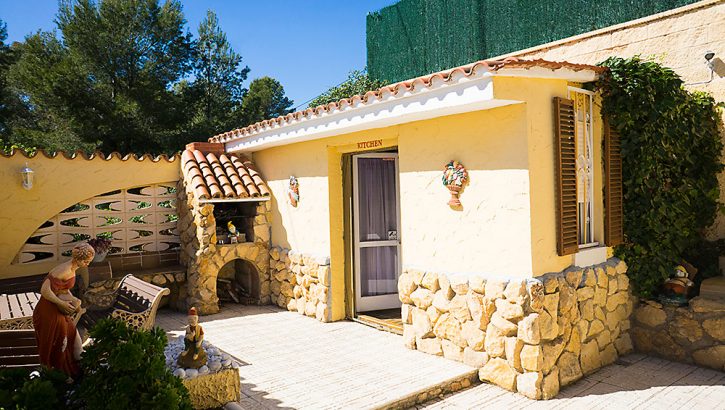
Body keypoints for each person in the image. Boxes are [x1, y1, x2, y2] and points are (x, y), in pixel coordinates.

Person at [32, 242, 94, 379]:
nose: (88, 264)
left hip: (57, 309)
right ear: (79, 259)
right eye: (87, 261)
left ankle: (79, 367)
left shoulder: (72, 269)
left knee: (72, 334)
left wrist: (74, 300)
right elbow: (44, 290)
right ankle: (59, 374)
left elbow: (63, 289)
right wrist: (62, 303)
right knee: (59, 340)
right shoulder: (64, 270)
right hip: (49, 311)